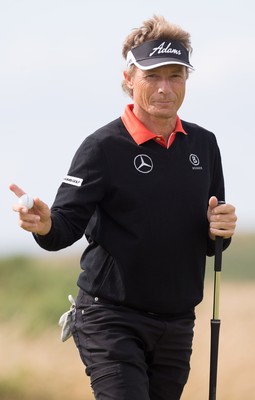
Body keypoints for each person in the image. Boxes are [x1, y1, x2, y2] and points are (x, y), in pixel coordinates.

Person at [10, 15, 237, 400]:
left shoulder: (204, 145)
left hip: (177, 322)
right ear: (130, 78)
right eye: (153, 76)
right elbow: (63, 229)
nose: (165, 88)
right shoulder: (102, 148)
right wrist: (45, 224)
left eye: (175, 76)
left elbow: (208, 239)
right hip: (111, 318)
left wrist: (221, 228)